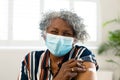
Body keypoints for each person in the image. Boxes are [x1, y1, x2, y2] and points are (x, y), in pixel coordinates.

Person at [18, 10, 98, 80]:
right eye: (54, 32)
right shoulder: (31, 60)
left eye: (66, 34)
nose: (60, 38)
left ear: (75, 39)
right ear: (44, 35)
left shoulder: (81, 55)